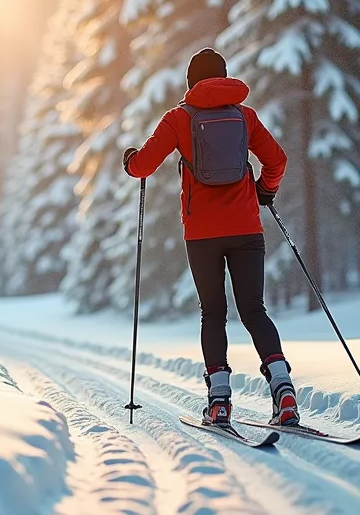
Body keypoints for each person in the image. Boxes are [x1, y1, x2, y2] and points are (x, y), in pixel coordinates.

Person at [121, 48, 298, 428]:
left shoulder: (179, 118)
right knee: (254, 310)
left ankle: (219, 401)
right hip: (247, 228)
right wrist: (265, 191)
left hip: (201, 233)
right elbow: (277, 160)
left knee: (213, 313)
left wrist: (130, 159)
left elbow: (142, 167)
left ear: (190, 82)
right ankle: (283, 391)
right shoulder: (244, 116)